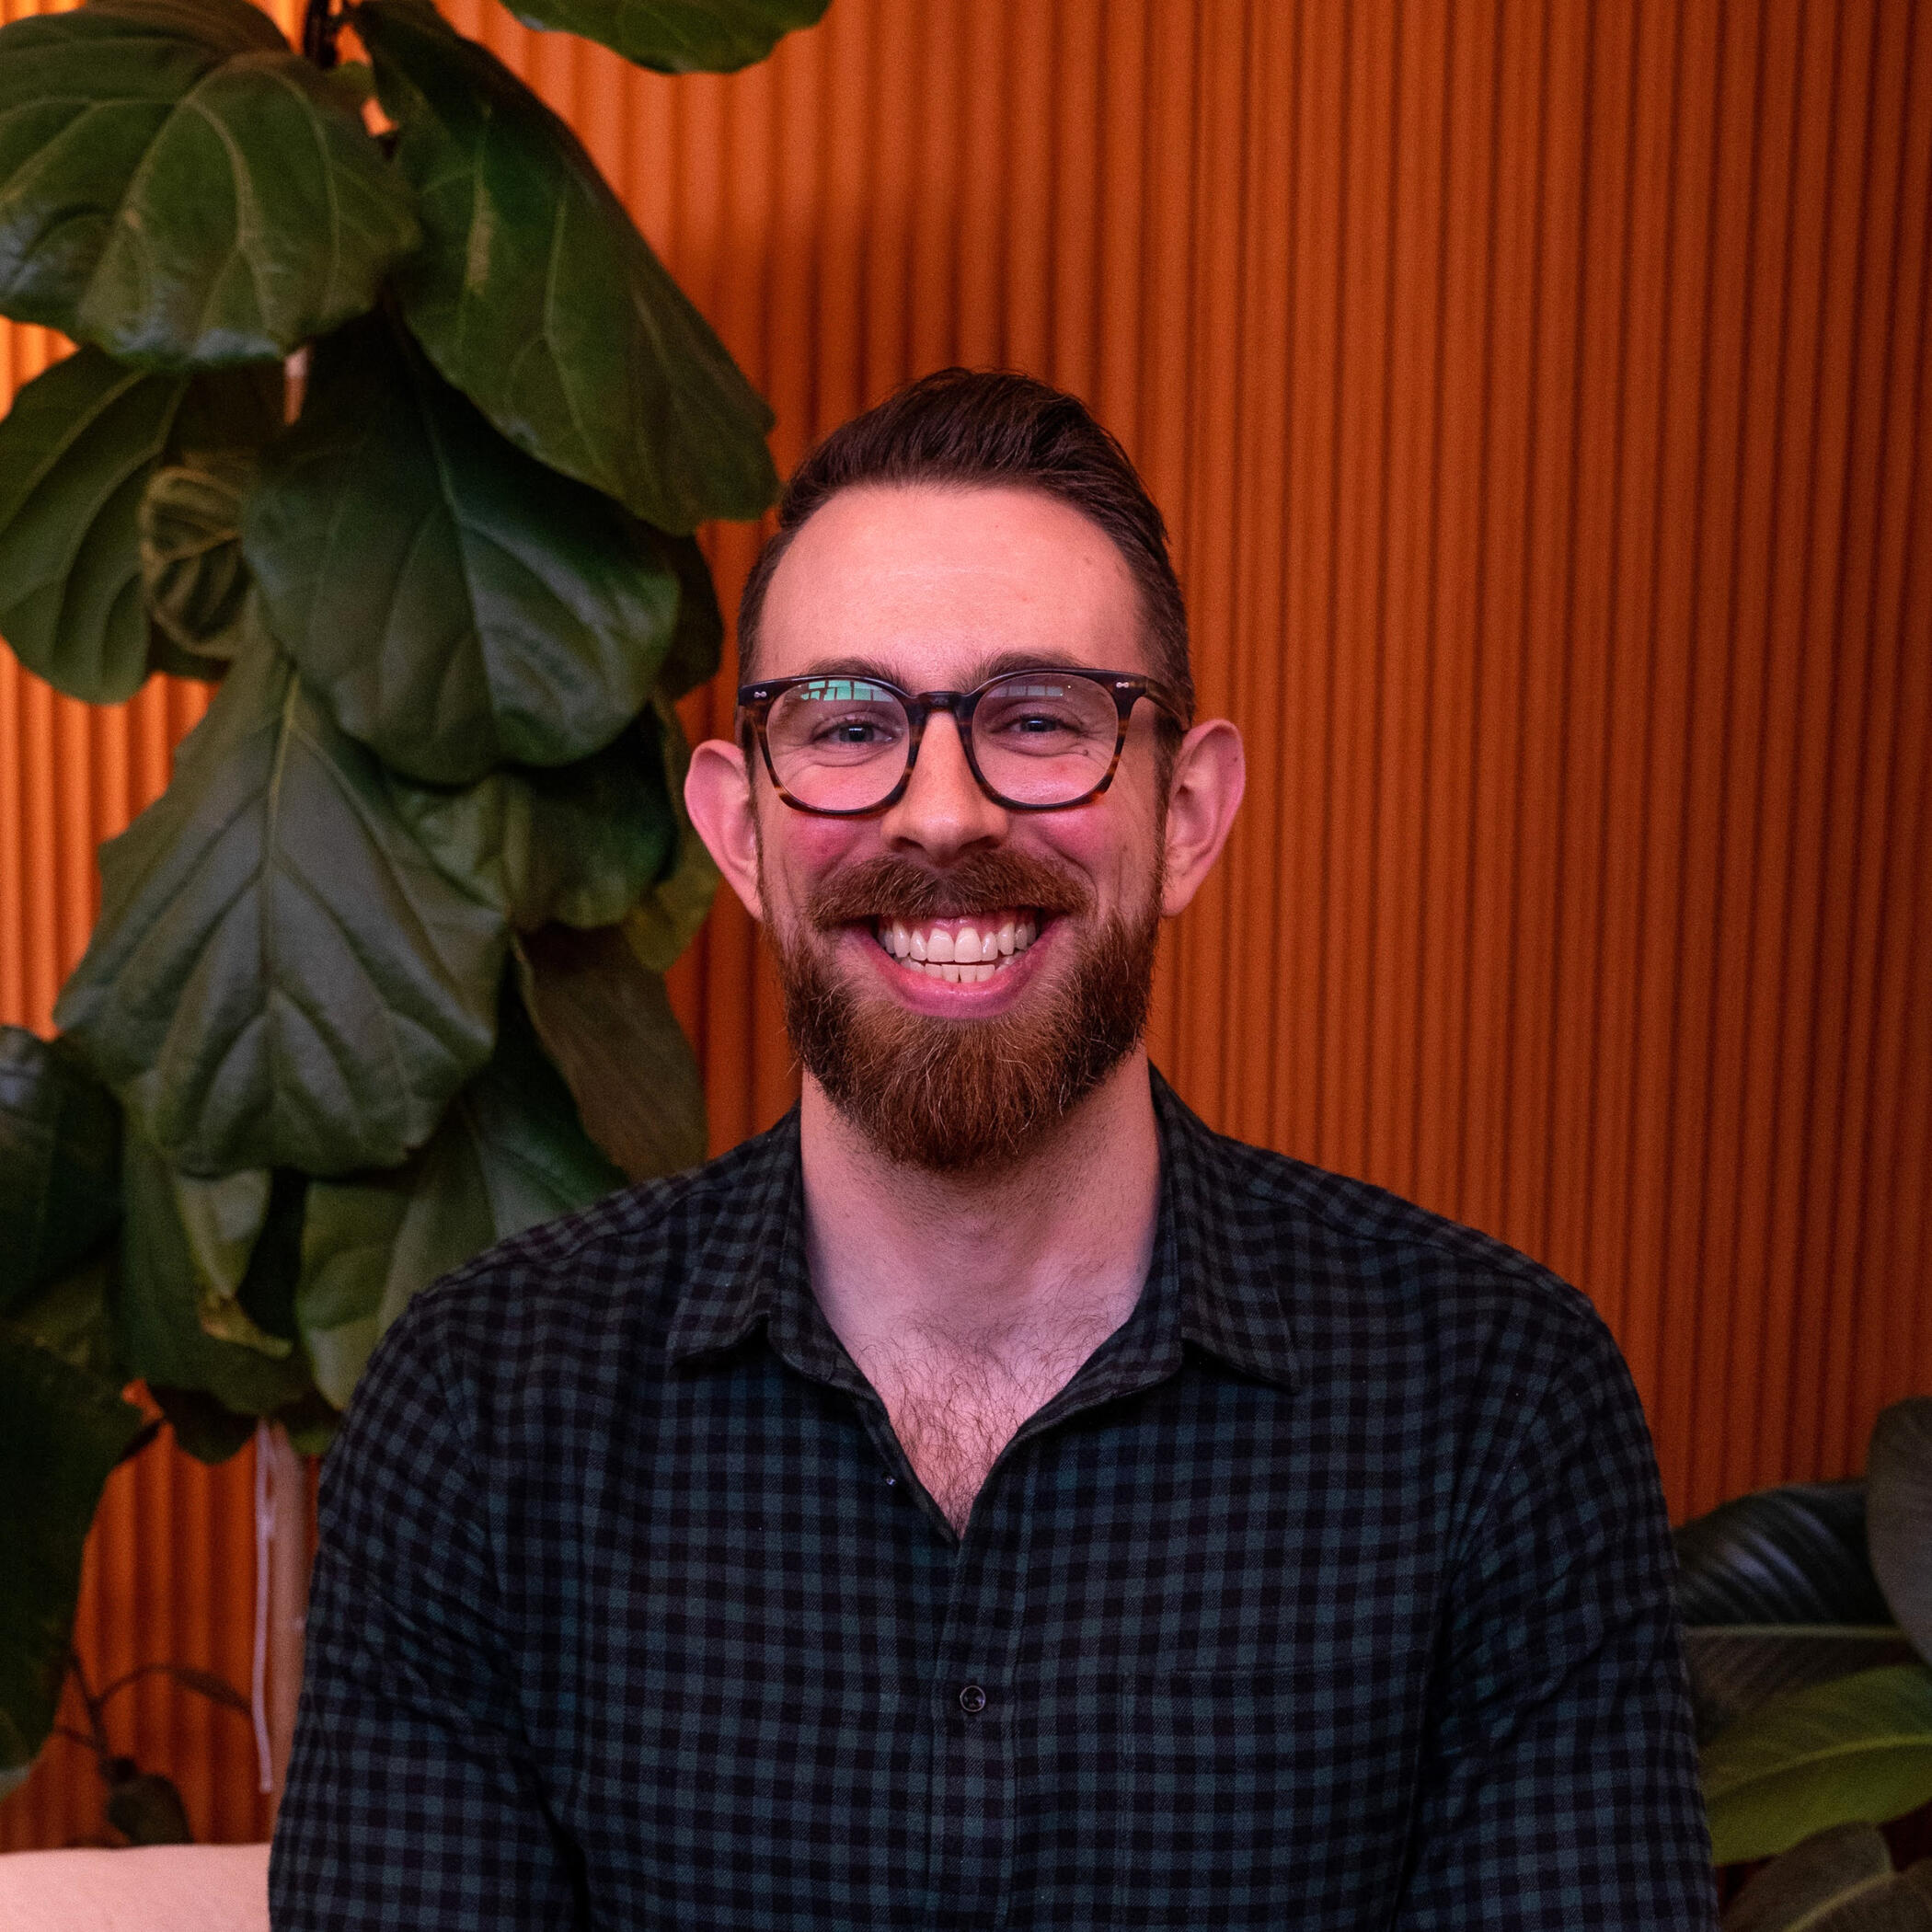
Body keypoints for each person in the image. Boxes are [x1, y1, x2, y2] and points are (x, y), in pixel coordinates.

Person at [270, 371, 1718, 1929]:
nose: (945, 815)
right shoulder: (482, 1413)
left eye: (1038, 721)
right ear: (741, 832)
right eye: (849, 725)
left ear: (1187, 815)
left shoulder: (1497, 1405)